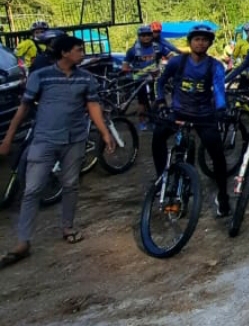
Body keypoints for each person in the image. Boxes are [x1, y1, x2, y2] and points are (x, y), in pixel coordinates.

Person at [0, 35, 115, 268]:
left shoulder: (86, 79)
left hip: (75, 139)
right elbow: (23, 109)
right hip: (44, 140)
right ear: (64, 53)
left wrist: (105, 133)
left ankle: (68, 226)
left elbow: (92, 106)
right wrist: (8, 138)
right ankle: (23, 242)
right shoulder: (40, 77)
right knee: (32, 189)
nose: (82, 53)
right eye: (78, 50)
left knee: (71, 184)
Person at [154, 24, 231, 216]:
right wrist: (161, 102)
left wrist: (221, 109)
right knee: (158, 137)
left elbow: (220, 90)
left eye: (205, 40)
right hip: (179, 112)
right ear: (190, 42)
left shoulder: (215, 66)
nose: (200, 43)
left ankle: (223, 196)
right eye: (197, 39)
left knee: (218, 156)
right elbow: (161, 82)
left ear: (210, 43)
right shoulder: (177, 62)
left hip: (204, 115)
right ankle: (161, 178)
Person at [122, 24, 170, 130]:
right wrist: (127, 69)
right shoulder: (133, 50)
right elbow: (125, 64)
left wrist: (170, 63)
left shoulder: (157, 47)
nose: (146, 37)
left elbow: (170, 54)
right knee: (141, 102)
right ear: (139, 36)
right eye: (143, 35)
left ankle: (154, 119)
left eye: (148, 34)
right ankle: (142, 122)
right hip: (140, 79)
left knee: (156, 100)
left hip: (154, 78)